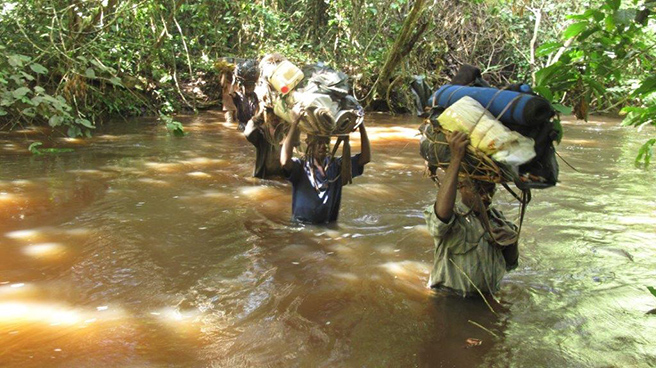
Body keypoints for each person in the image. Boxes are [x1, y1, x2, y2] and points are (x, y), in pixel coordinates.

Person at [424, 131, 519, 296]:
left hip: (486, 301)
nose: (486, 196)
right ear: (461, 187)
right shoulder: (453, 216)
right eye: (479, 190)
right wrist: (456, 159)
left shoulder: (498, 221)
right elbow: (441, 216)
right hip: (449, 299)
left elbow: (511, 265)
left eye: (490, 190)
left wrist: (512, 242)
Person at [280, 119, 371, 224]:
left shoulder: (336, 166)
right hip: (302, 226)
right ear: (309, 143)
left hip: (327, 226)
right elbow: (284, 161)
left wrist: (362, 126)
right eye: (318, 142)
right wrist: (295, 123)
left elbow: (365, 158)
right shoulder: (301, 167)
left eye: (326, 142)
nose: (323, 146)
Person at [244, 107, 285, 179]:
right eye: (271, 114)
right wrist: (259, 116)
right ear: (266, 115)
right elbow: (248, 134)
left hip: (282, 175)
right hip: (264, 175)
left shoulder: (286, 132)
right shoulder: (261, 132)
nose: (275, 117)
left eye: (278, 115)